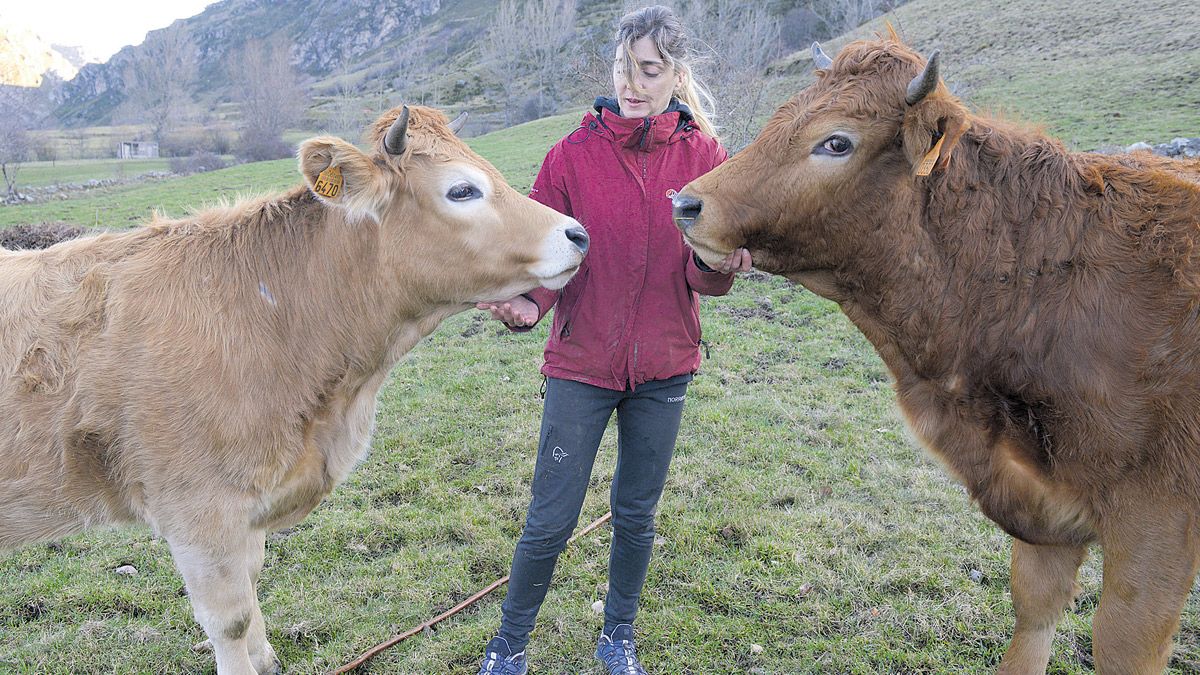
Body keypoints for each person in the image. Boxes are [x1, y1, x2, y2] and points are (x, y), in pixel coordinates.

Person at [474, 6, 751, 674]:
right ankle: (508, 645)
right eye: (624, 66)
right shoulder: (571, 156)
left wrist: (716, 264)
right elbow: (546, 261)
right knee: (550, 517)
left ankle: (617, 636)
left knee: (636, 516)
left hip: (664, 369)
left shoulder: (703, 158)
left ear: (675, 75)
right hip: (582, 364)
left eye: (649, 70)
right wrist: (527, 305)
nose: (632, 81)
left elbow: (702, 274)